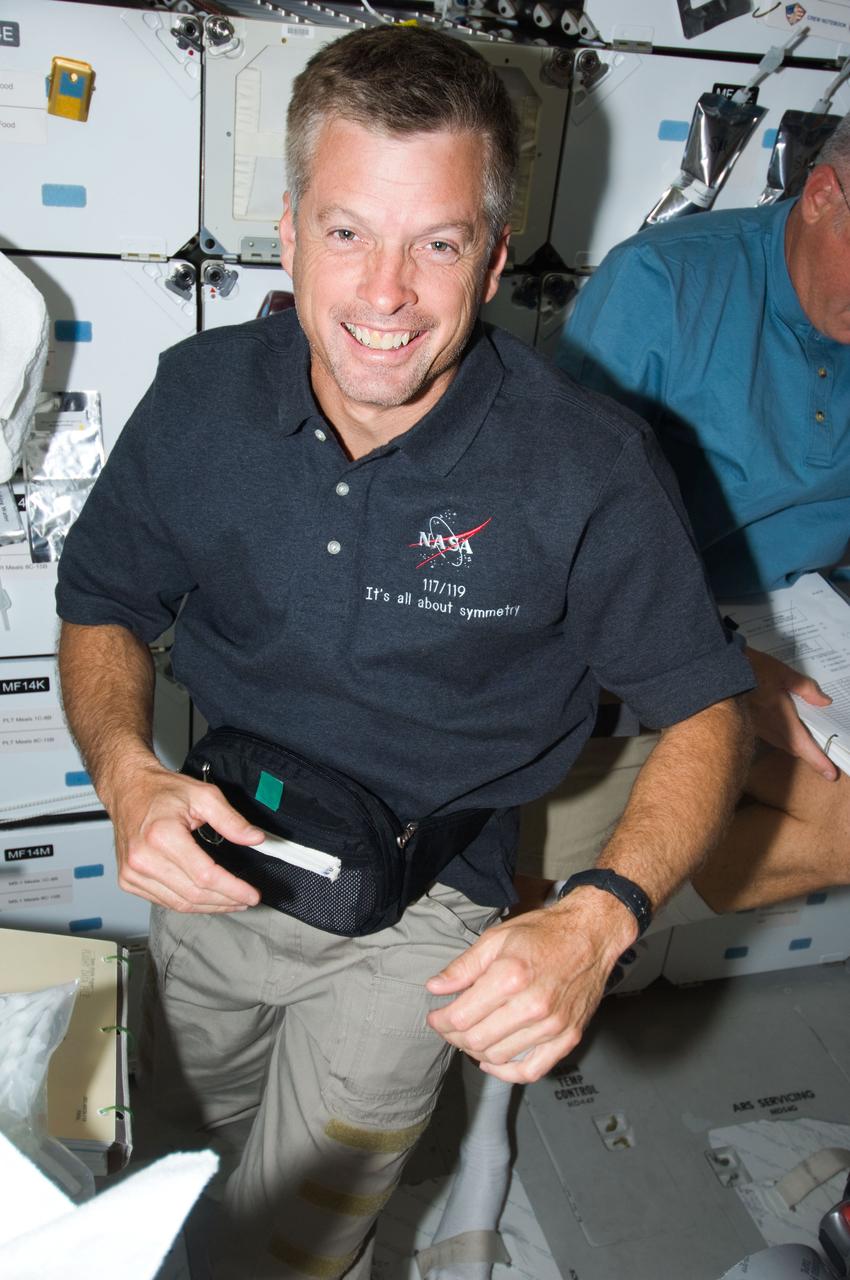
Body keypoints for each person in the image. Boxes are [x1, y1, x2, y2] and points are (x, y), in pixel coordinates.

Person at [55, 26, 753, 1280]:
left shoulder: (585, 467)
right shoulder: (199, 397)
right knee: (170, 1169)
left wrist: (600, 917)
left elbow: (708, 711)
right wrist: (125, 771)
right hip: (218, 849)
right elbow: (101, 598)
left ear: (492, 257)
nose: (385, 295)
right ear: (288, 231)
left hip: (425, 910)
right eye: (347, 232)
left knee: (292, 1239)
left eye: (435, 243)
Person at [430, 112, 850, 1280]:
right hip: (634, 615)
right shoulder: (665, 287)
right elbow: (547, 529)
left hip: (804, 612)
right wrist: (718, 663)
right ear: (823, 198)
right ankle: (497, 1094)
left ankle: (621, 908)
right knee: (518, 887)